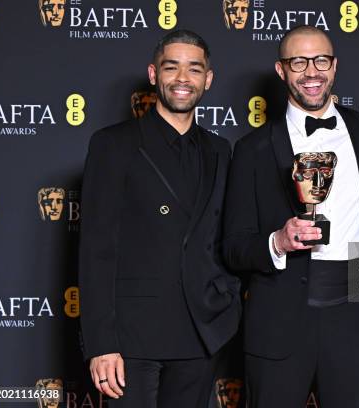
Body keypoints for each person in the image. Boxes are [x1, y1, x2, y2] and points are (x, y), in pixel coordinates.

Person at [223, 25, 359, 408]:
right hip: (279, 319)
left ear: (334, 66)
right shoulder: (251, 150)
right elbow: (233, 247)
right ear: (281, 70)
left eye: (321, 60)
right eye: (298, 62)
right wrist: (277, 242)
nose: (311, 71)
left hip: (356, 316)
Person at [79, 29, 241, 408]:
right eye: (172, 67)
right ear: (154, 74)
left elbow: (223, 235)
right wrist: (102, 344)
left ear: (208, 79)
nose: (183, 79)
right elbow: (96, 249)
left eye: (194, 69)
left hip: (200, 332)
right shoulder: (113, 144)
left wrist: (226, 304)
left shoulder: (220, 150)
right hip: (132, 338)